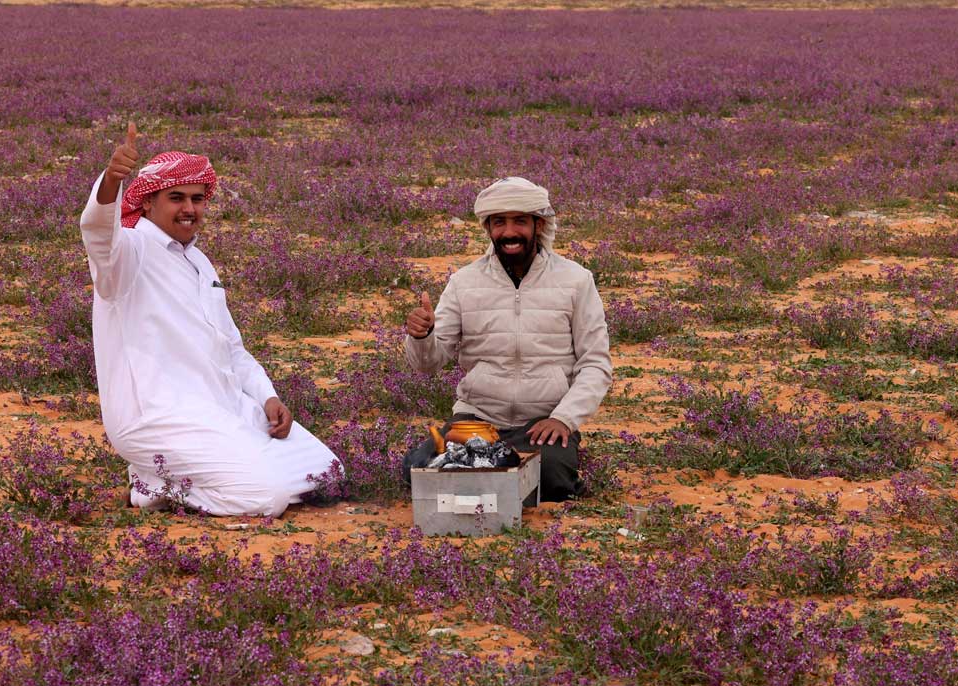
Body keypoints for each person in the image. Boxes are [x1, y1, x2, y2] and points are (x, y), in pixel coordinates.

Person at [79, 122, 340, 516]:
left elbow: (231, 347)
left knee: (328, 473)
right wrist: (112, 180)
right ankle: (154, 485)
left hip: (221, 408)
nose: (189, 209)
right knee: (265, 498)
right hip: (158, 417)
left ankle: (213, 471)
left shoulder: (198, 261)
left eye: (198, 199)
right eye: (176, 198)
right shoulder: (128, 254)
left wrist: (267, 396)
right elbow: (99, 233)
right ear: (147, 203)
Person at [402, 177, 612, 501]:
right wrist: (422, 336)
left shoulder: (576, 281)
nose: (509, 233)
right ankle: (494, 485)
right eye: (499, 222)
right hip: (477, 421)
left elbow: (595, 364)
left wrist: (563, 418)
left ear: (538, 224)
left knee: (553, 477)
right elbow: (429, 362)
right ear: (488, 228)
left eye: (519, 221)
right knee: (417, 468)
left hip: (541, 424)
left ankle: (488, 486)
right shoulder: (464, 283)